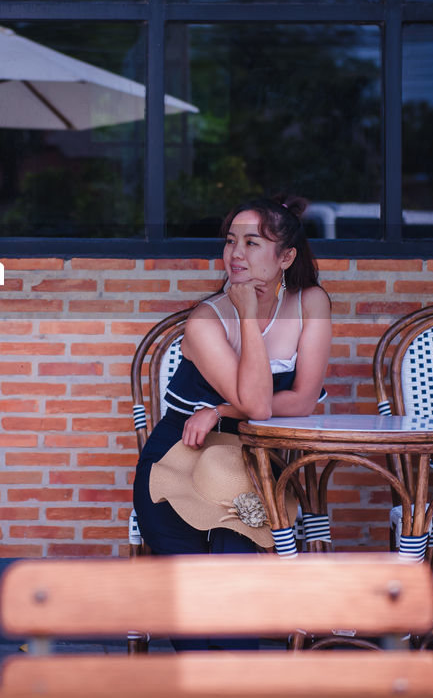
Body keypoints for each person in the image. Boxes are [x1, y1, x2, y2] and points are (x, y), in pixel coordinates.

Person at [131, 195, 332, 650]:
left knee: (233, 578)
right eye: (230, 242)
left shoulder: (311, 303)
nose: (235, 254)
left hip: (246, 467)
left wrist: (220, 410)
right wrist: (245, 314)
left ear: (286, 257)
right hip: (178, 462)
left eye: (252, 243)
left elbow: (300, 401)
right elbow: (260, 404)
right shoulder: (206, 319)